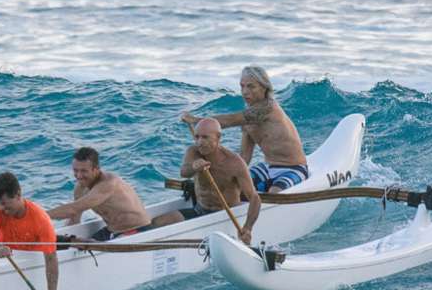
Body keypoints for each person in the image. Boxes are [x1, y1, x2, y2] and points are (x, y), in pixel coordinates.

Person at [182, 65, 308, 193]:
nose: (245, 92)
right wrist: (218, 180)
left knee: (274, 192)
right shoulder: (247, 120)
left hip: (294, 168)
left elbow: (230, 120)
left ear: (264, 87)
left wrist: (197, 121)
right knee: (233, 186)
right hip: (267, 167)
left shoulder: (268, 108)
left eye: (251, 86)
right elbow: (244, 158)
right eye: (242, 86)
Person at [151, 118, 260, 244]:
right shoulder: (193, 151)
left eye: (205, 137)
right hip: (199, 210)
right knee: (158, 223)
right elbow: (184, 172)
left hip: (224, 215)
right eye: (197, 137)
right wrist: (194, 167)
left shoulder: (235, 163)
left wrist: (248, 227)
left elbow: (254, 198)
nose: (199, 142)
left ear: (218, 137)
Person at [0, 171, 59, 290]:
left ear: (18, 195)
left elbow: (50, 259)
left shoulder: (41, 219)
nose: (1, 209)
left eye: (4, 204)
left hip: (32, 257)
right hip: (8, 256)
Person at [48, 147, 152, 241]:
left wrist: (39, 215)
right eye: (75, 170)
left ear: (96, 169)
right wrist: (64, 238)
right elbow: (74, 217)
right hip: (111, 231)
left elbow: (73, 209)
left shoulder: (108, 183)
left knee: (90, 248)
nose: (79, 176)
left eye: (84, 171)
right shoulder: (80, 188)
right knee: (77, 248)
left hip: (137, 229)